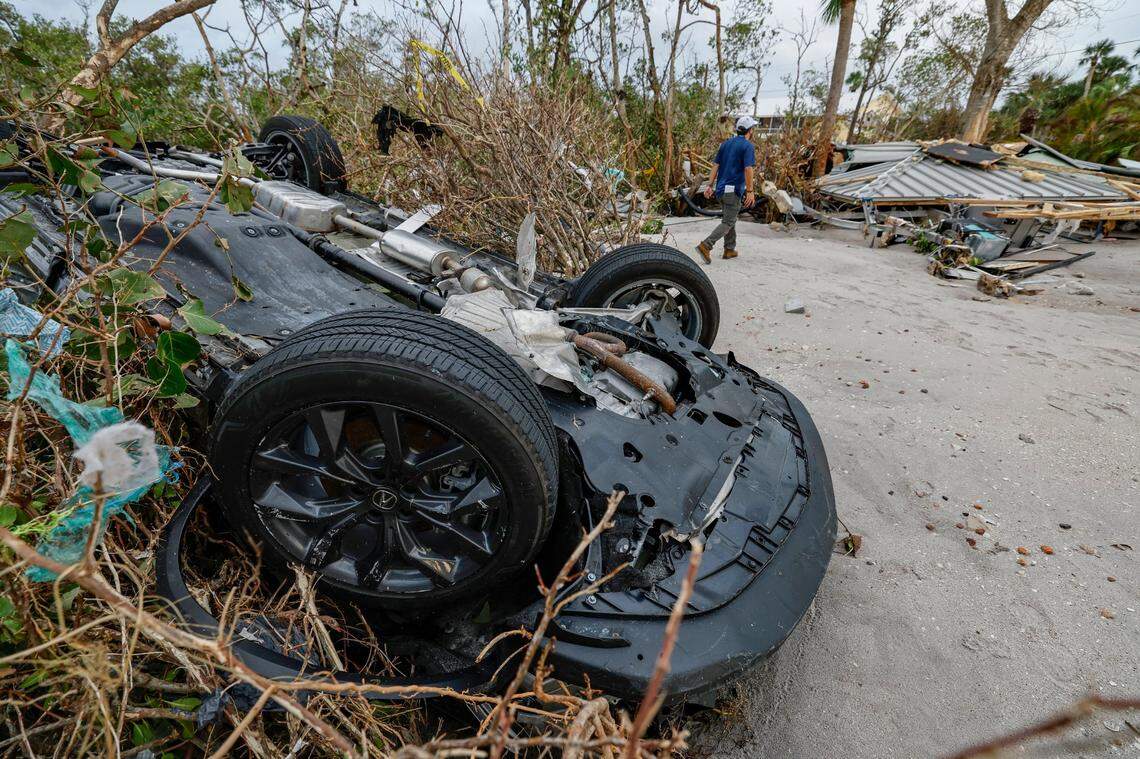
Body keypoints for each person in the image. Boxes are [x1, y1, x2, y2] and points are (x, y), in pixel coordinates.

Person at [697, 115, 758, 263]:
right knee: (728, 222)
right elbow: (748, 169)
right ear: (750, 130)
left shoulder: (725, 144)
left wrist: (709, 186)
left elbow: (715, 165)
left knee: (730, 219)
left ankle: (729, 249)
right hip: (733, 190)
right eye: (753, 128)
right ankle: (706, 245)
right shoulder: (747, 146)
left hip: (720, 190)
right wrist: (750, 191)